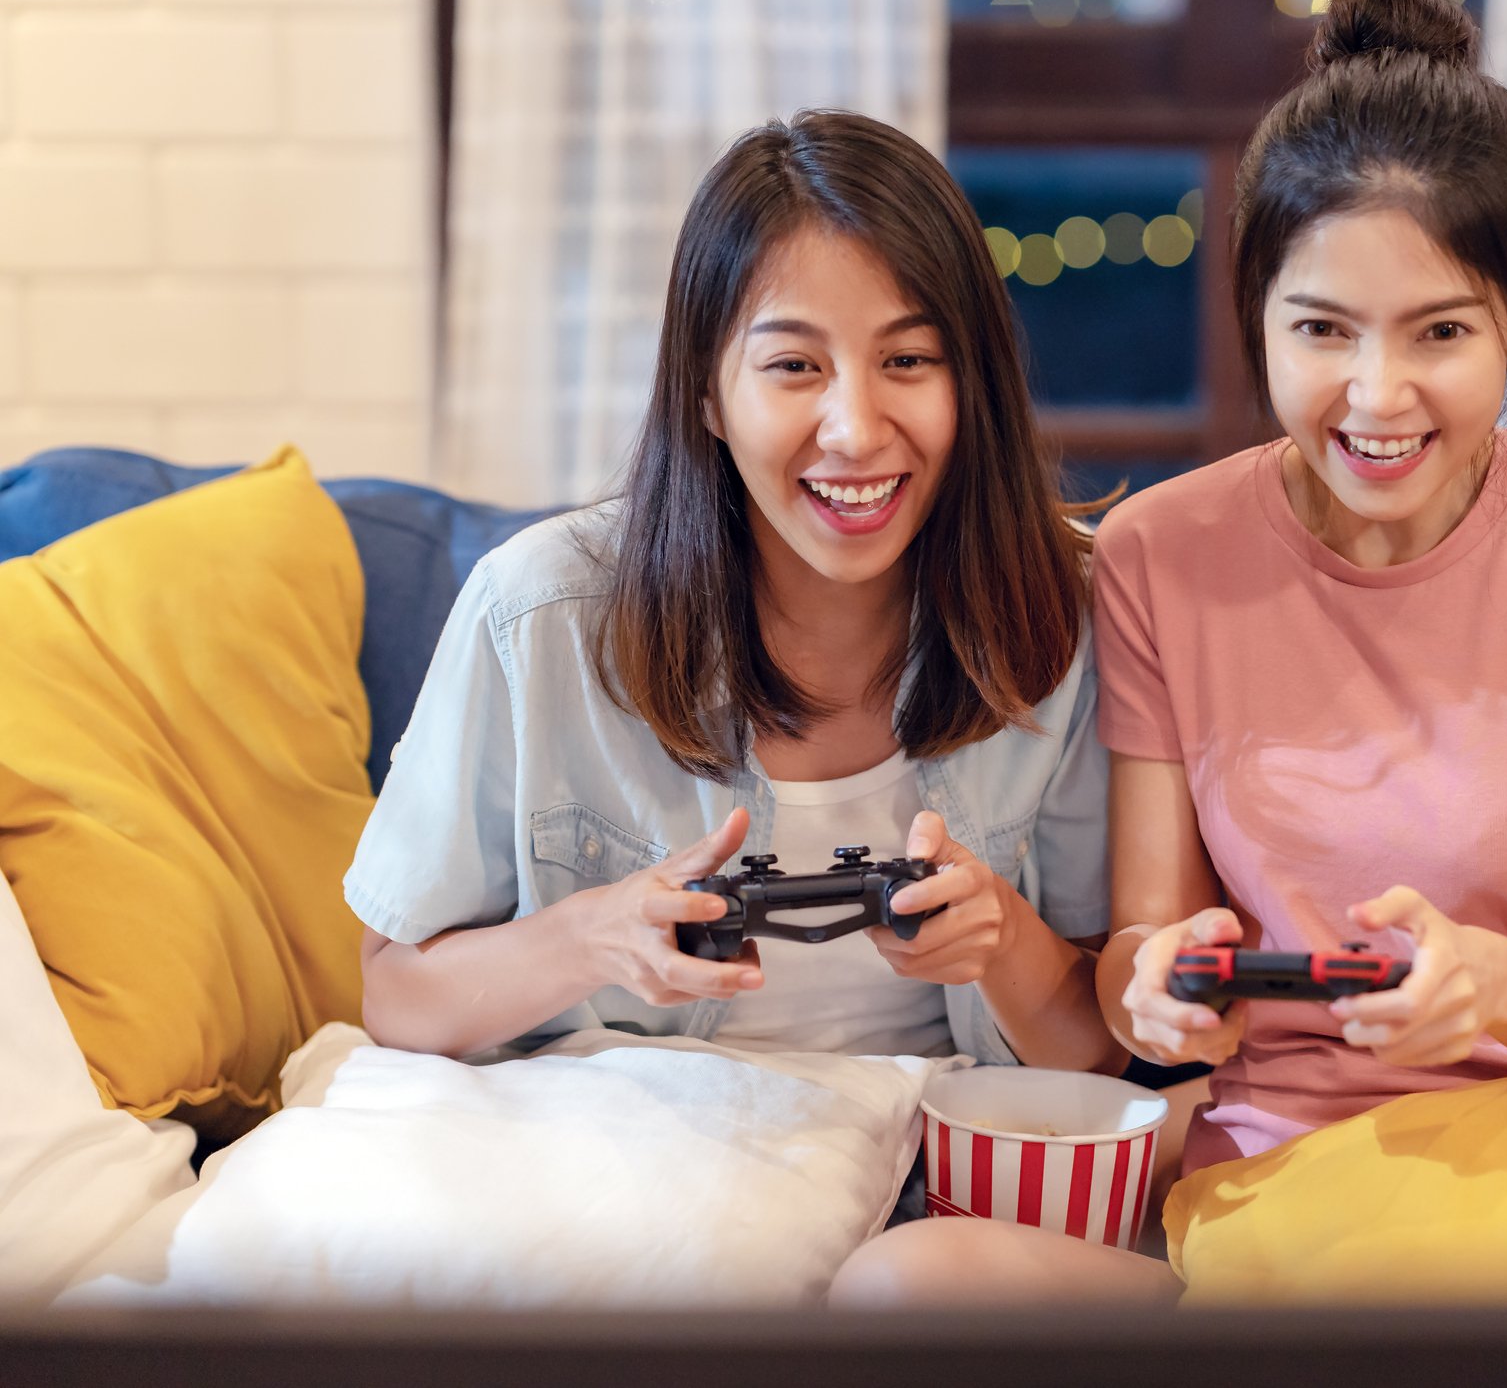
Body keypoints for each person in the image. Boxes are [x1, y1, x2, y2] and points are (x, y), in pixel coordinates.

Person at [829, 0, 1507, 1305]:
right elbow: (1144, 943)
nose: (1376, 395)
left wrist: (1485, 988)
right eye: (1321, 330)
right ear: (1253, 308)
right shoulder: (1161, 555)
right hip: (1280, 1190)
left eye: (1440, 332)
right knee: (906, 1288)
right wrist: (1156, 991)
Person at [348, 110, 1122, 1080]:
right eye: (794, 366)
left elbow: (1097, 1056)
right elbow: (395, 995)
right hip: (621, 1141)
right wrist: (593, 936)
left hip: (922, 1151)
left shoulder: (1065, 613)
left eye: (908, 361)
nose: (854, 430)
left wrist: (1002, 941)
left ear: (975, 387)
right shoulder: (536, 612)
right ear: (707, 394)